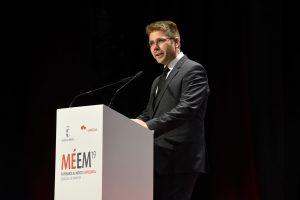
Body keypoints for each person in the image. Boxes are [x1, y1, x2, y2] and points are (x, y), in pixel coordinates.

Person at [131, 20, 210, 200]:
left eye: (160, 41)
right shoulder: (157, 81)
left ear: (176, 42)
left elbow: (186, 108)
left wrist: (148, 126)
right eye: (151, 43)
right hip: (157, 159)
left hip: (180, 159)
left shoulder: (193, 70)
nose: (155, 47)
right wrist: (130, 124)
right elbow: (149, 113)